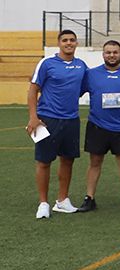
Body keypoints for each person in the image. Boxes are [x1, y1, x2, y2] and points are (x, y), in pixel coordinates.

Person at [28, 30, 89, 218]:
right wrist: (33, 117)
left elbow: (83, 89)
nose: (69, 43)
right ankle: (43, 203)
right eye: (65, 40)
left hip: (71, 119)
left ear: (76, 43)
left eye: (72, 40)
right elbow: (33, 90)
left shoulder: (81, 66)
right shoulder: (47, 63)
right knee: (44, 161)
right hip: (47, 119)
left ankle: (62, 200)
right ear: (59, 43)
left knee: (68, 160)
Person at [79, 41, 120, 212]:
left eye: (115, 52)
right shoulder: (91, 74)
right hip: (97, 125)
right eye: (108, 52)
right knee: (95, 161)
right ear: (103, 54)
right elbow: (75, 91)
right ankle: (89, 198)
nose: (111, 55)